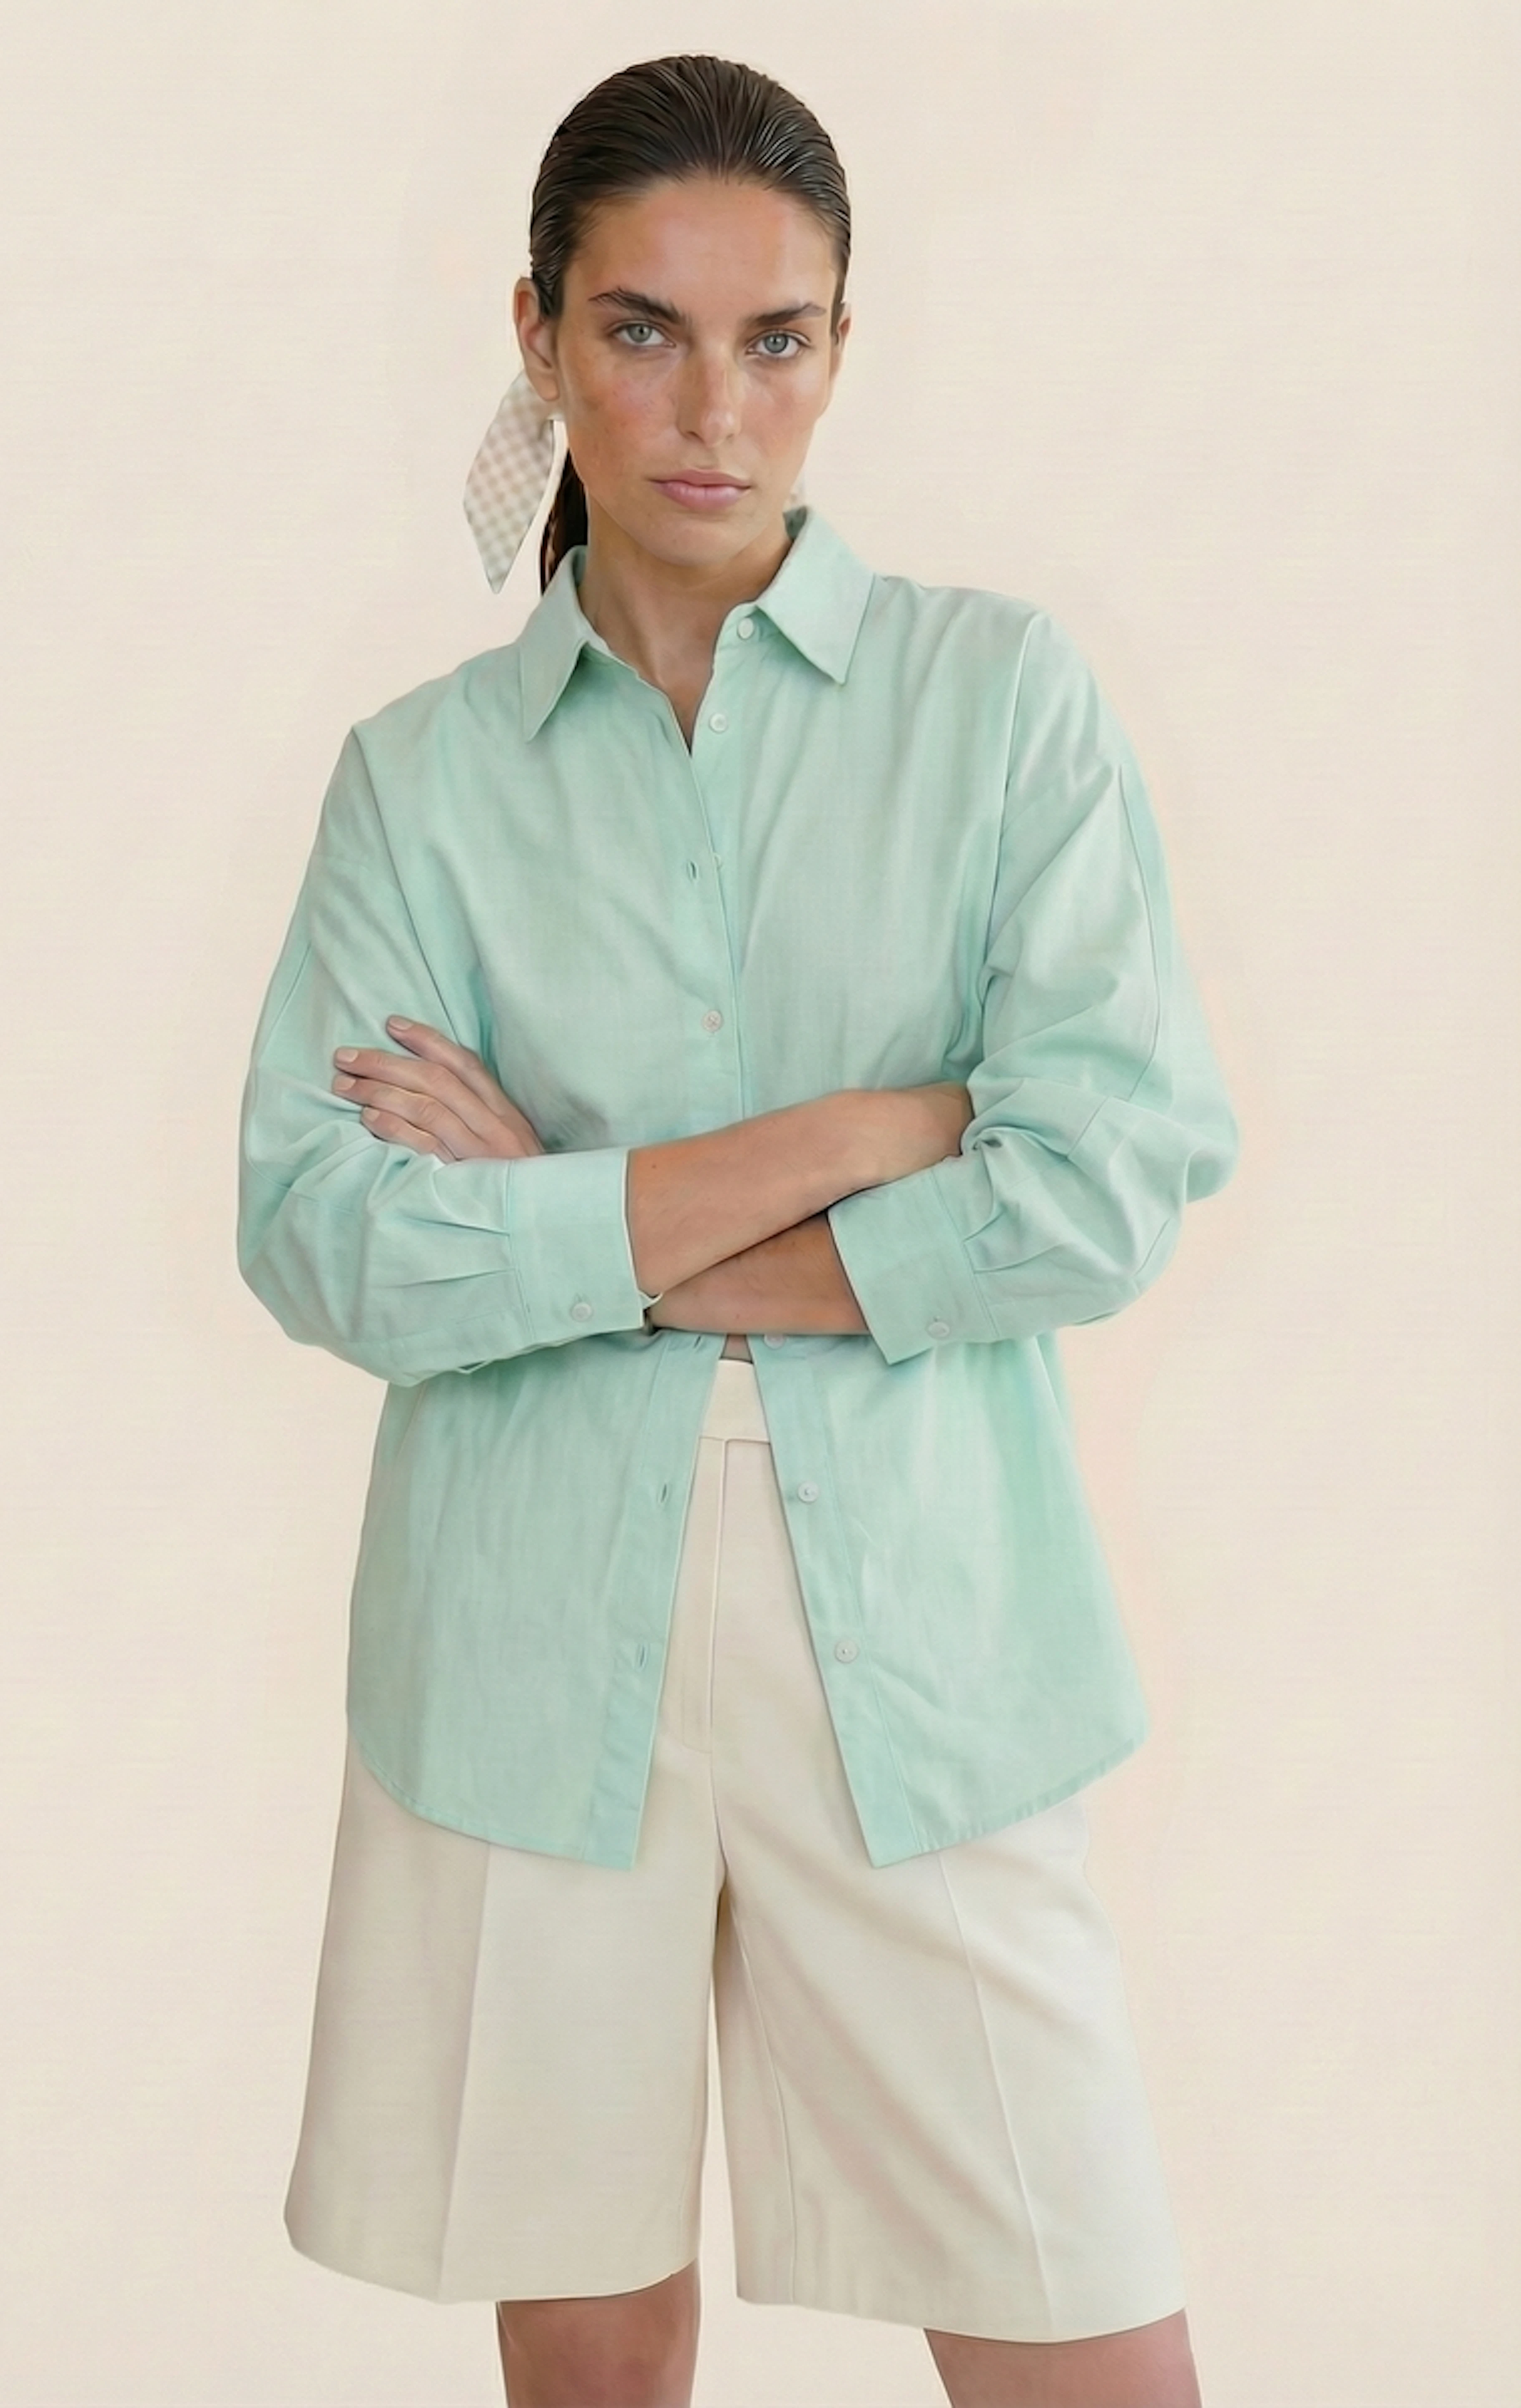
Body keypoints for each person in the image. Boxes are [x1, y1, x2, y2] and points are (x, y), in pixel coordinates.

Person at [236, 51, 1238, 2408]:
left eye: (775, 337)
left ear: (841, 348)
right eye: (642, 330)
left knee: (1081, 2317)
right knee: (593, 2348)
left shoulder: (999, 704)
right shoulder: (422, 782)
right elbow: (324, 1237)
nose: (714, 408)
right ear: (538, 335)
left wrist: (562, 1228)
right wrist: (873, 1132)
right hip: (520, 1656)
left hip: (931, 1657)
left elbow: (1098, 1187)